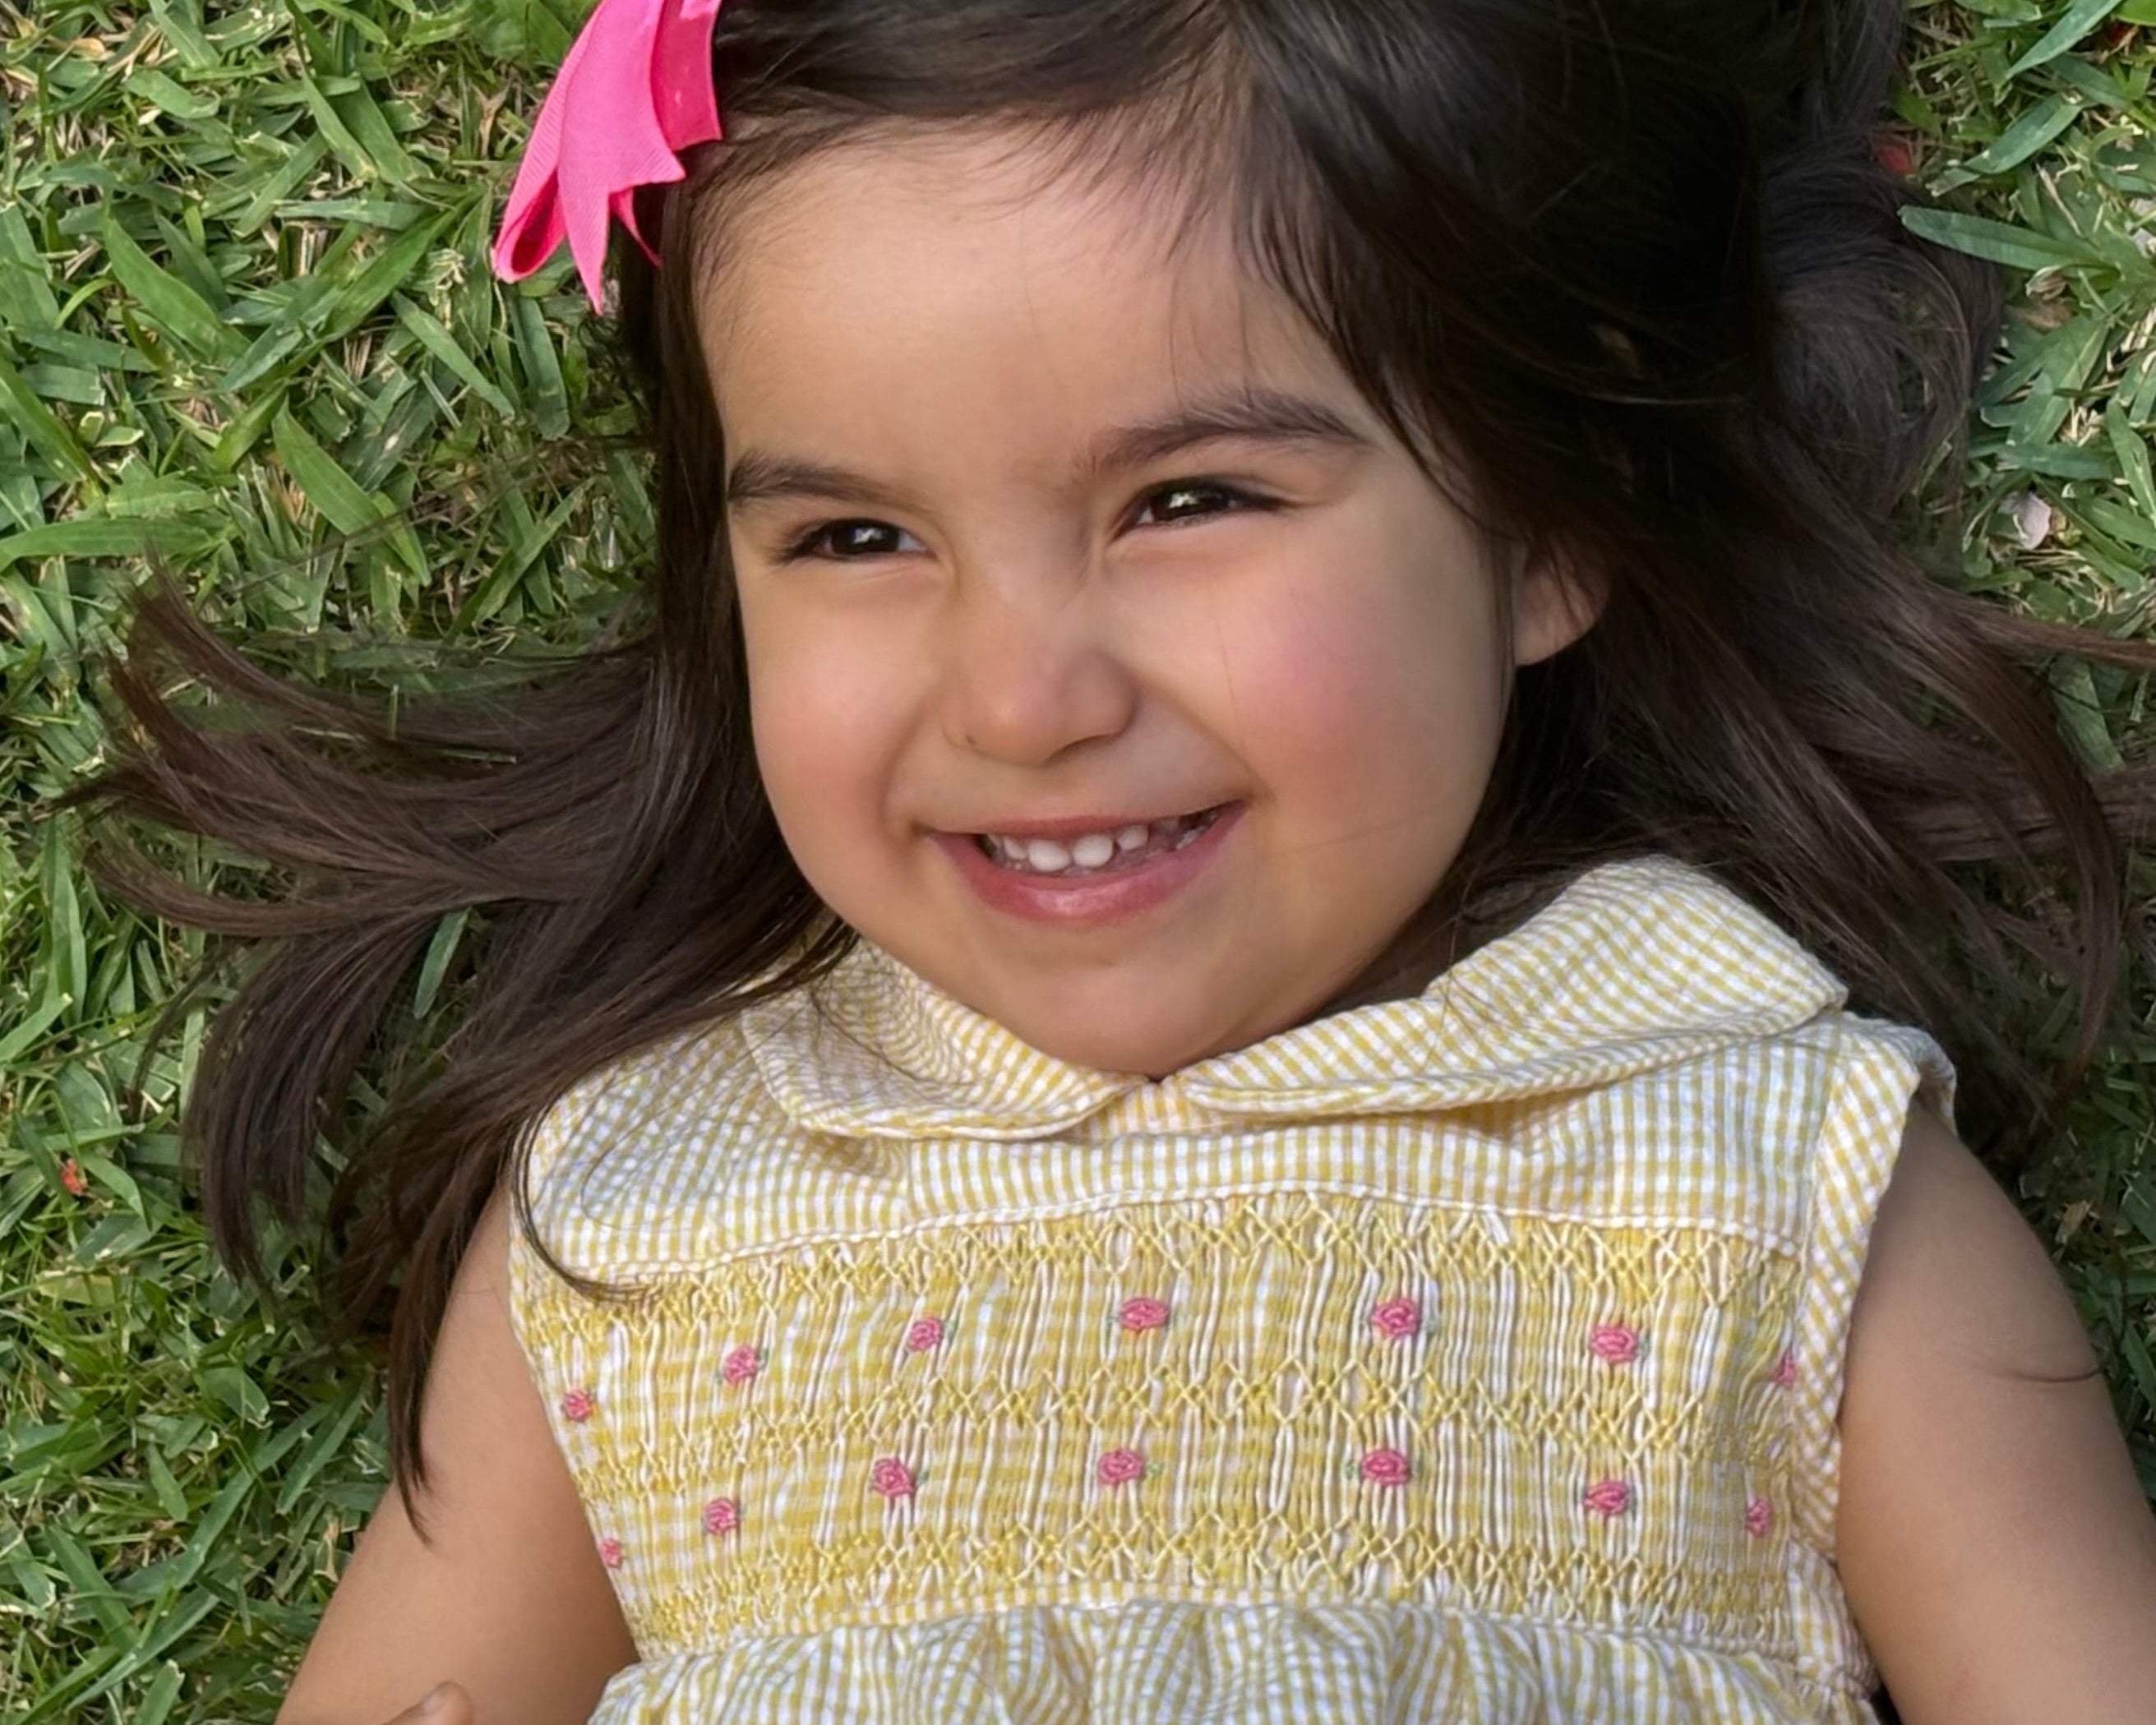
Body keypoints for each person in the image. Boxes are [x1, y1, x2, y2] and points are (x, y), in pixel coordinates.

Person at [73, 0, 2156, 1720]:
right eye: (853, 538)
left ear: (1546, 520)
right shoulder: (637, 1214)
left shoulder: (1780, 1178)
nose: (1020, 697)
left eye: (1190, 500)